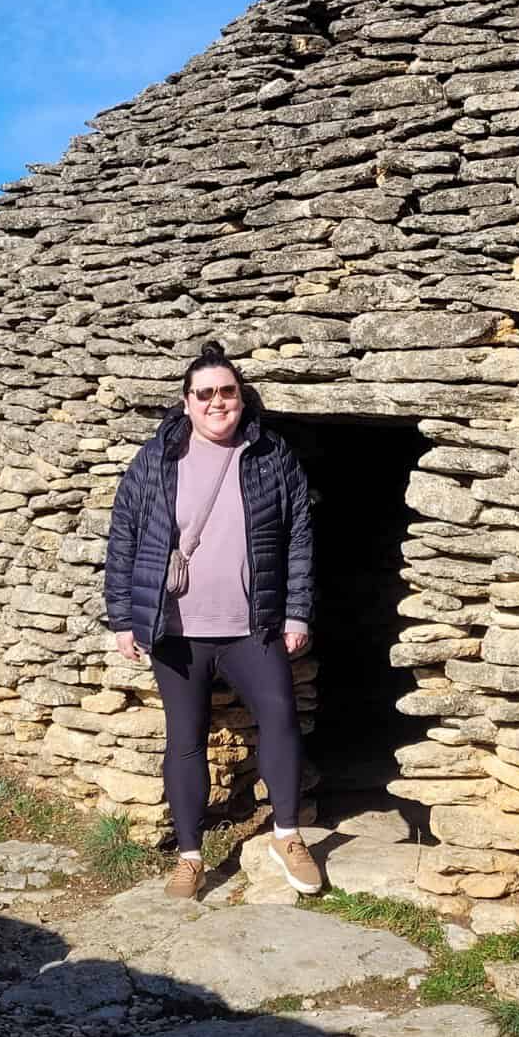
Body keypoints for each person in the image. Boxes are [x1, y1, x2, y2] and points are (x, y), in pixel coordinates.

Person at [103, 339, 322, 899]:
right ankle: (190, 856)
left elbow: (299, 535)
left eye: (228, 392)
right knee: (184, 740)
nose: (217, 402)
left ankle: (288, 835)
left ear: (242, 399)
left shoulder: (273, 457)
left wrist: (297, 611)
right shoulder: (156, 460)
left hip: (255, 626)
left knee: (280, 718)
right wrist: (124, 618)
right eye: (205, 394)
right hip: (176, 630)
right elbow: (124, 535)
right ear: (186, 402)